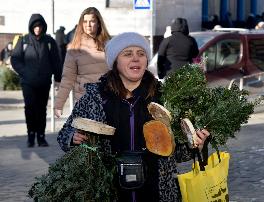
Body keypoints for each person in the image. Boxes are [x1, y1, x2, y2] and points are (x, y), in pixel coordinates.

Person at [57, 32, 210, 201]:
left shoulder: (165, 97)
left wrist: (196, 144)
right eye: (128, 54)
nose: (136, 58)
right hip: (110, 191)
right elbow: (65, 134)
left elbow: (178, 153)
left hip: (156, 191)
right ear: (116, 61)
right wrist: (73, 138)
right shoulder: (96, 97)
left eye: (141, 54)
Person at [11, 13, 62, 147]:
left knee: (41, 109)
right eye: (35, 26)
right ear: (31, 27)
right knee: (30, 109)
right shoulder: (24, 41)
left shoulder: (49, 42)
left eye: (39, 26)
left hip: (44, 83)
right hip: (28, 83)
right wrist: (25, 72)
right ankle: (30, 136)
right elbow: (15, 59)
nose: (37, 29)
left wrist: (58, 78)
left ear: (43, 27)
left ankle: (41, 137)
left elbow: (56, 61)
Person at [54, 7, 110, 118]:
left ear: (99, 23)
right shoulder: (74, 48)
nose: (88, 25)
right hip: (84, 102)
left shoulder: (110, 46)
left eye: (92, 21)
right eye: (85, 21)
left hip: (107, 101)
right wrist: (59, 105)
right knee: (85, 135)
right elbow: (67, 78)